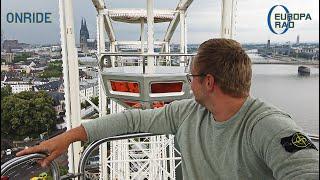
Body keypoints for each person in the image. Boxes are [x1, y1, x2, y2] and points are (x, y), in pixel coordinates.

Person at [17, 39, 319, 179]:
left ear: (209, 81)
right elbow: (133, 121)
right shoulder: (190, 113)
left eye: (192, 77)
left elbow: (306, 170)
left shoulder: (267, 126)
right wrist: (68, 137)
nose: (189, 82)